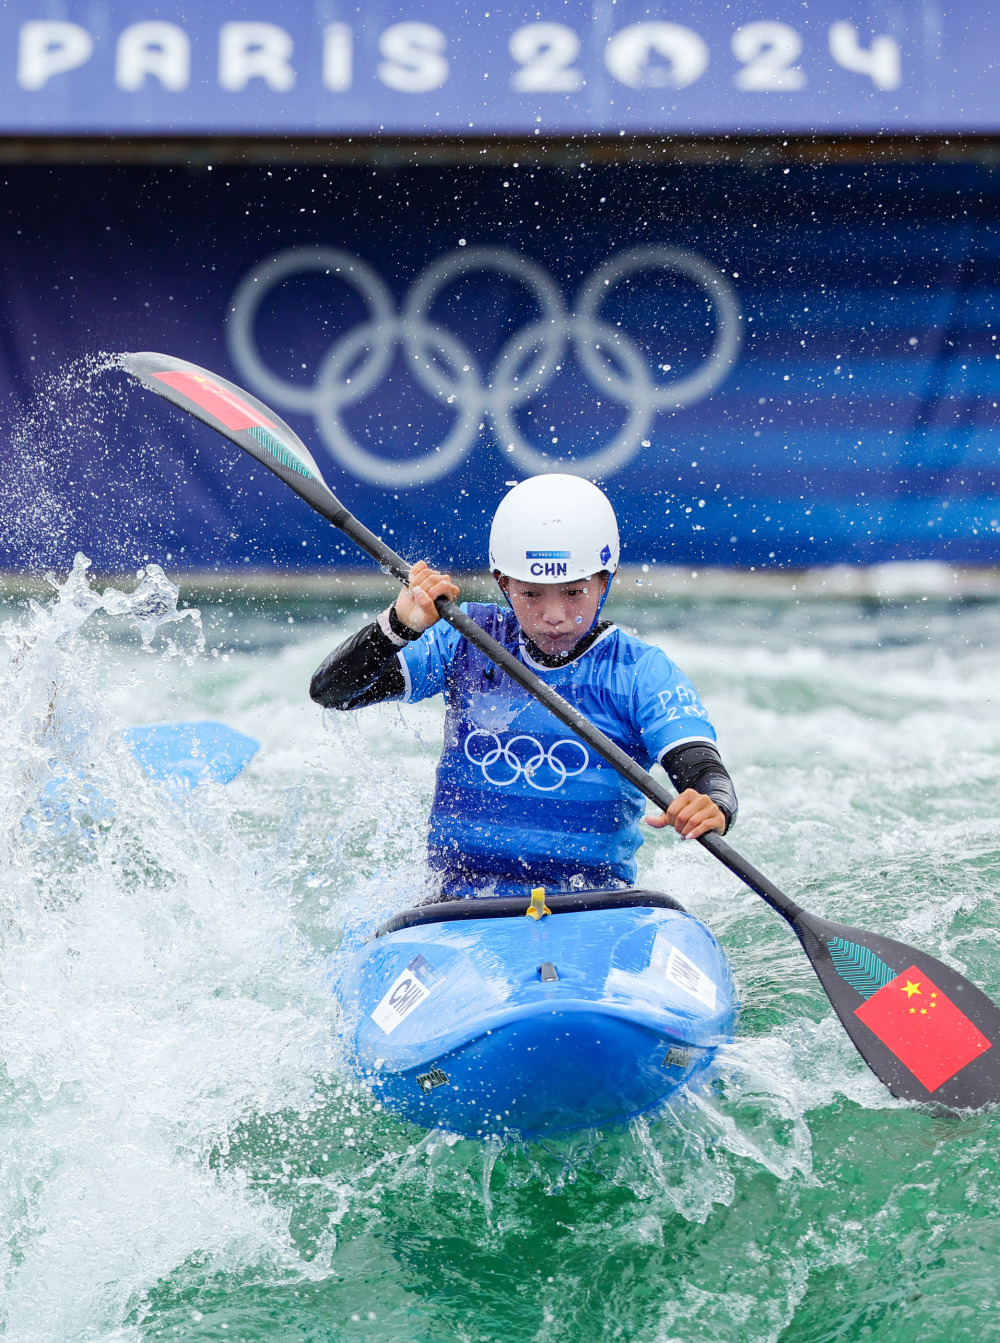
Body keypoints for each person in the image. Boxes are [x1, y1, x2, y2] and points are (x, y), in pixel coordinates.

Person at [310, 475, 737, 899]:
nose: (554, 615)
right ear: (503, 583)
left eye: (573, 592)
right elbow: (332, 692)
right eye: (531, 594)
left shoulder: (640, 672)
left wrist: (710, 804)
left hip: (593, 907)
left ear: (604, 582)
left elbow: (703, 771)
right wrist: (397, 627)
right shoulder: (464, 637)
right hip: (454, 907)